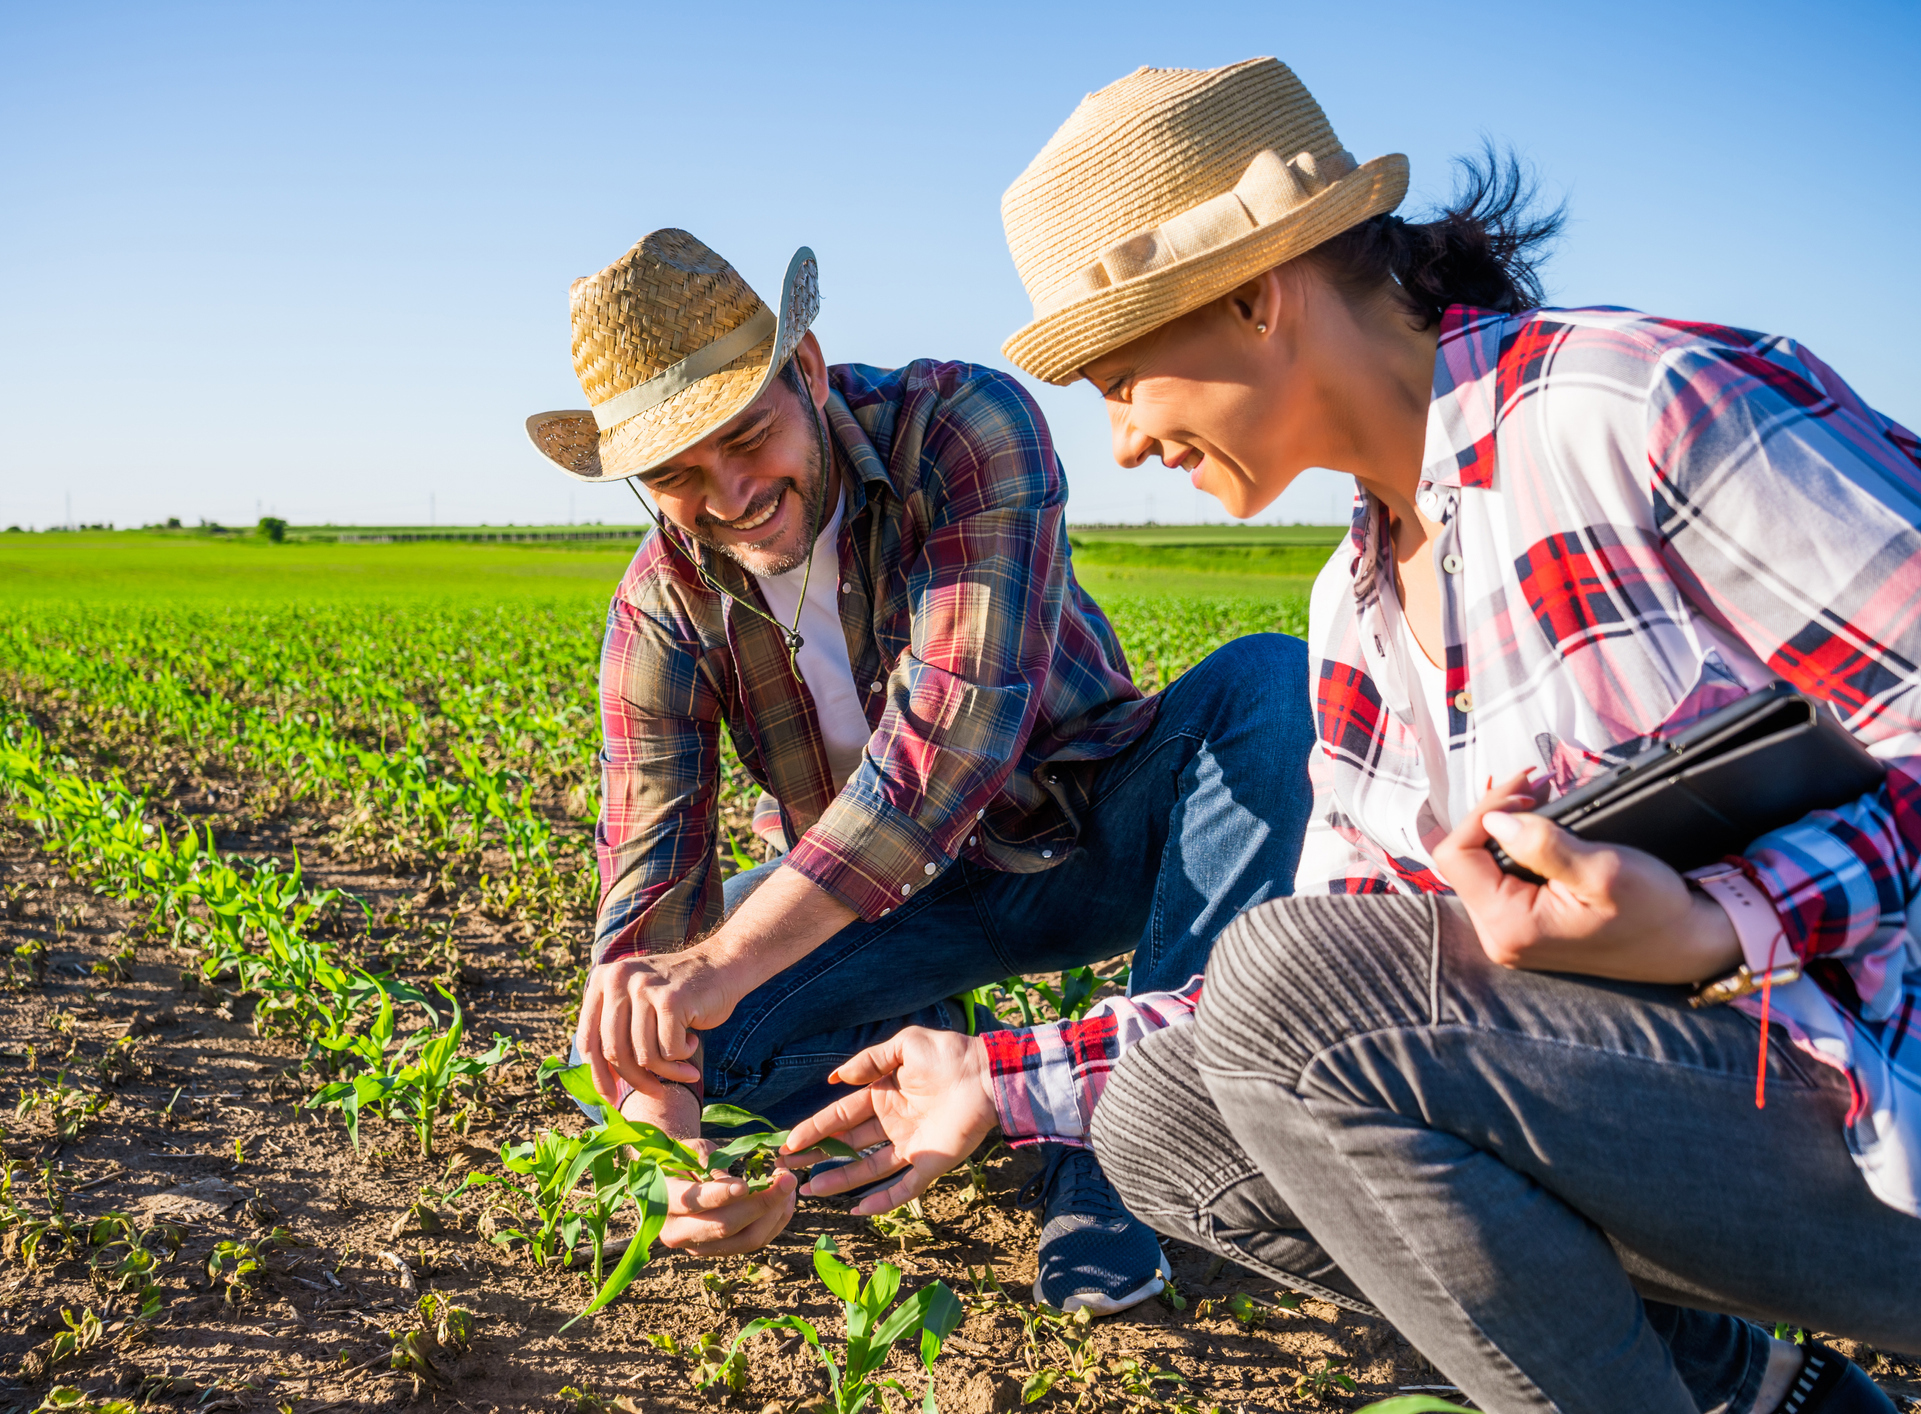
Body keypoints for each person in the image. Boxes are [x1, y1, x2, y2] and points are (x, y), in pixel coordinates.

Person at [784, 60, 1921, 1414]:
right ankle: (1760, 1391)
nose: (1128, 441)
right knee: (1169, 1128)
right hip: (1706, 1126)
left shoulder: (1630, 407)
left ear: (1258, 292)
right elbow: (1330, 981)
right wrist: (997, 1073)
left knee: (1284, 991)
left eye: (1120, 376)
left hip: (1871, 1098)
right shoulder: (1357, 600)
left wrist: (1714, 918)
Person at [523, 228, 1314, 1311]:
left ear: (805, 369)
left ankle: (1117, 1150)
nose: (732, 492)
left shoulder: (961, 428)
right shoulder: (661, 608)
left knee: (1272, 685)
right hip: (878, 915)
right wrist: (677, 1152)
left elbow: (946, 753)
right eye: (677, 476)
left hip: (1082, 838)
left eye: (749, 437)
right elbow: (646, 893)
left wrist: (712, 973)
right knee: (644, 1047)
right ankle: (947, 1074)